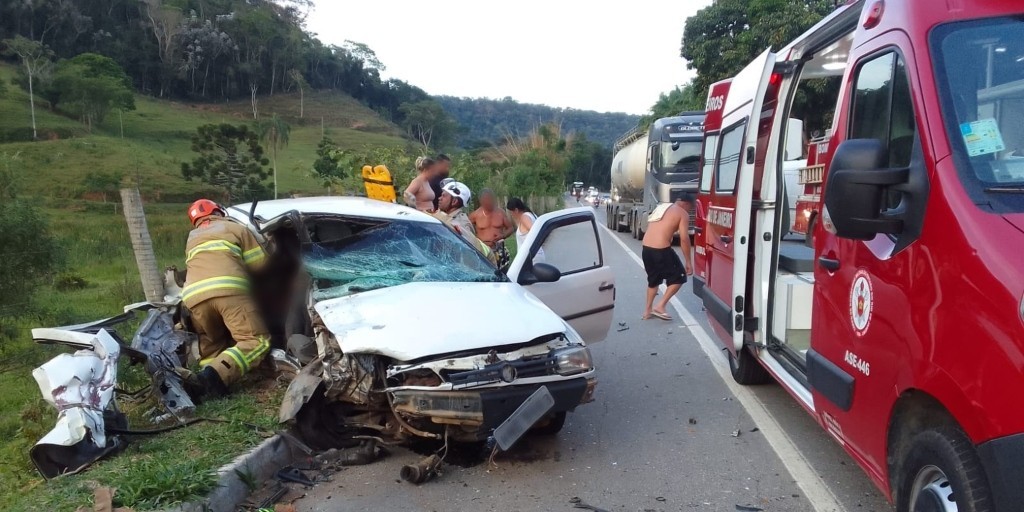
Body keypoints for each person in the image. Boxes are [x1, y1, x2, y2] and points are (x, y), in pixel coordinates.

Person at [180, 199, 272, 400]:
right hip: (229, 291)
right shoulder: (234, 228)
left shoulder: (192, 237)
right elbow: (262, 268)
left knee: (212, 342)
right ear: (218, 211)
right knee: (255, 340)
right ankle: (214, 379)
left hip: (194, 298)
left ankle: (202, 387)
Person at [640, 197, 693, 321]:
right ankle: (660, 306)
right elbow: (684, 239)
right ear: (685, 204)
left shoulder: (662, 207)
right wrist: (688, 262)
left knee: (653, 280)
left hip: (646, 248)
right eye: (690, 207)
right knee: (679, 277)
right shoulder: (682, 213)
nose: (690, 210)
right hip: (661, 250)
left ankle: (647, 311)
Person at [470, 189, 514, 268]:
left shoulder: (500, 213)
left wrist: (502, 235)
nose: (489, 202)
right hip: (482, 249)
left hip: (498, 249)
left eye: (490, 199)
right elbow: (465, 229)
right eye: (486, 200)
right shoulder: (475, 215)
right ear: (481, 201)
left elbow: (510, 228)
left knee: (502, 272)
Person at [507, 198, 545, 263]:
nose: (511, 215)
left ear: (516, 210)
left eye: (511, 212)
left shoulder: (524, 218)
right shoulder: (531, 214)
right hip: (532, 256)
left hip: (531, 258)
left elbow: (535, 232)